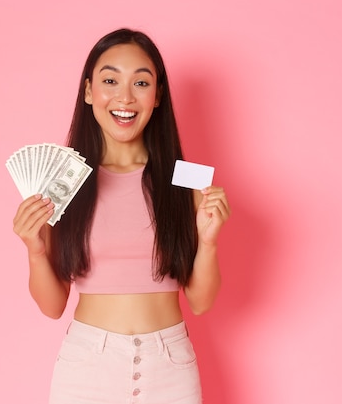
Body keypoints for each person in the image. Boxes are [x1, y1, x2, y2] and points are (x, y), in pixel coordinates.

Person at [12, 28, 231, 404]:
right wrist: (34, 249)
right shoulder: (62, 181)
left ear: (158, 94)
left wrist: (209, 242)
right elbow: (52, 306)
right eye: (110, 80)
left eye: (141, 82)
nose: (125, 97)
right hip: (86, 368)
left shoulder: (188, 179)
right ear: (88, 91)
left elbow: (201, 301)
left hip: (170, 368)